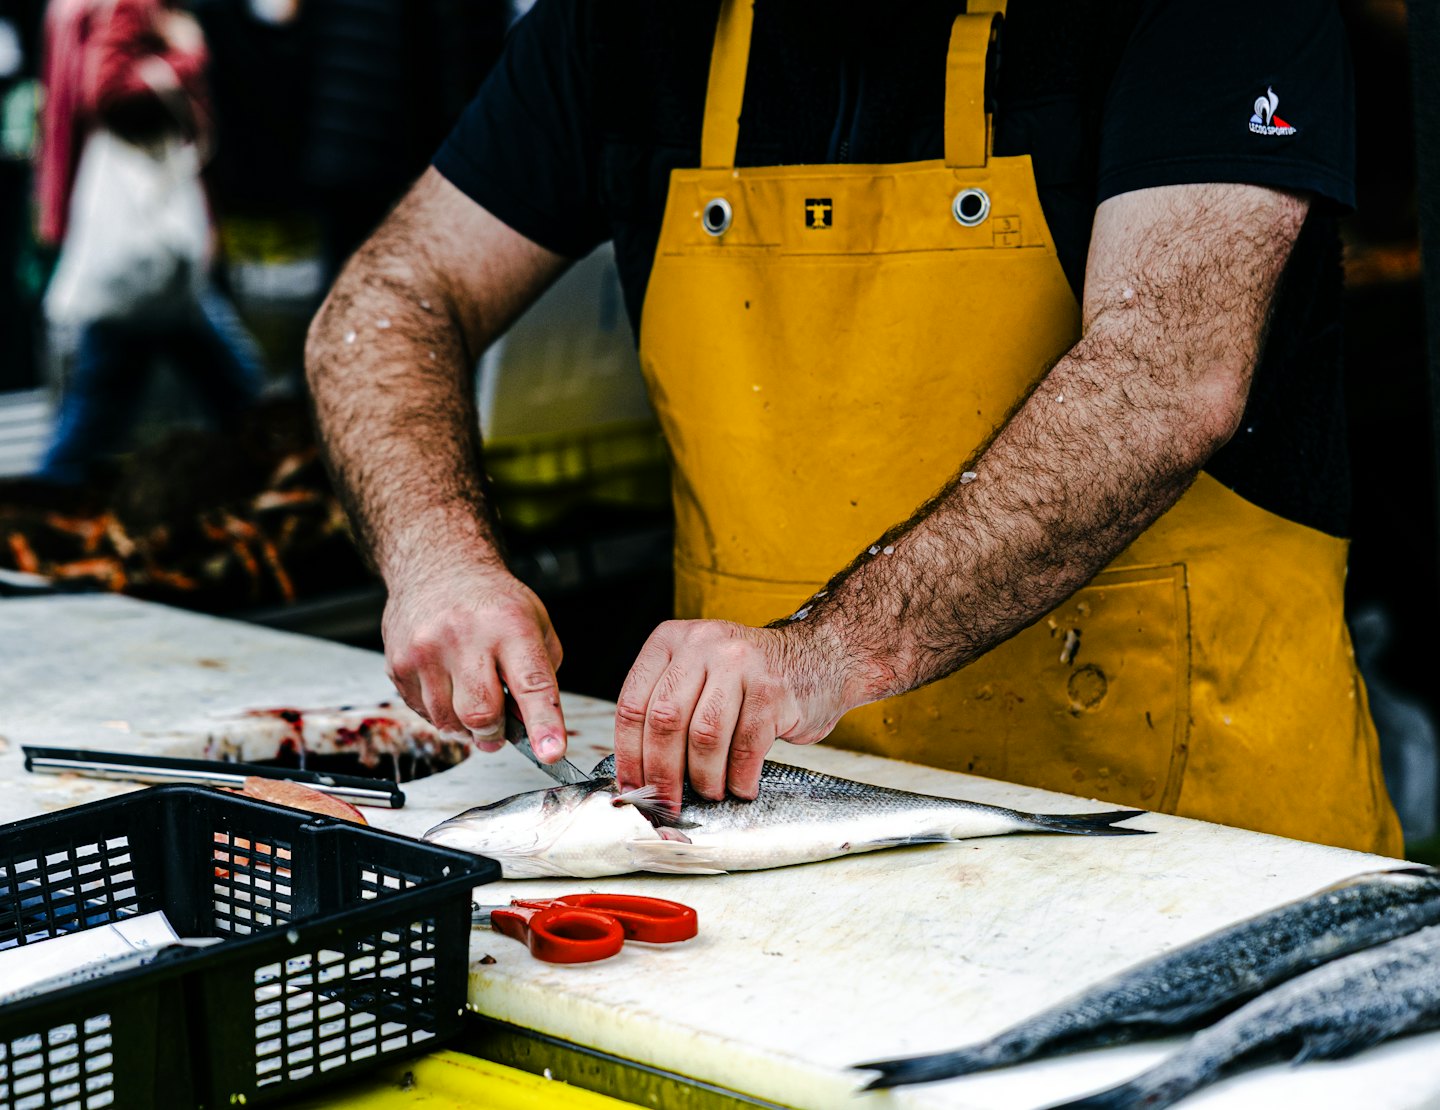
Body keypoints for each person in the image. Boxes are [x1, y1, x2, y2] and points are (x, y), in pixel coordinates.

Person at [306, 0, 1404, 857]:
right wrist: (438, 557)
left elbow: (1166, 377)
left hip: (1183, 837)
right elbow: (391, 296)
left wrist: (827, 651)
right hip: (765, 827)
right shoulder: (630, 22)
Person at [34, 0, 265, 485]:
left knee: (220, 382)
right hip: (146, 248)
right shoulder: (131, 4)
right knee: (107, 400)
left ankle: (266, 467)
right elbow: (107, 91)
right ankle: (44, 494)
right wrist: (187, 56)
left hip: (146, 255)